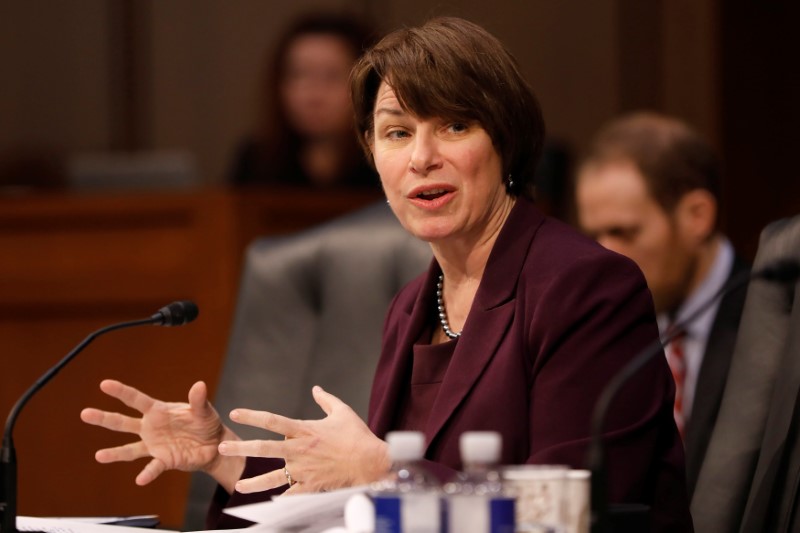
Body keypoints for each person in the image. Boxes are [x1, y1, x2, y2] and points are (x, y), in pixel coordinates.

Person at [81, 18, 693, 531]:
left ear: (505, 141)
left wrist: (386, 472)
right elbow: (354, 510)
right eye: (397, 132)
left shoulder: (586, 286)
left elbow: (567, 513)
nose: (422, 156)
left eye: (454, 125)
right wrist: (223, 461)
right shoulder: (412, 305)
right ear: (374, 156)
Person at [574, 112, 749, 499]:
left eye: (624, 232)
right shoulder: (600, 326)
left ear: (696, 216)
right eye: (595, 234)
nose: (604, 255)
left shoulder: (772, 323)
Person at [229, 12, 378, 189]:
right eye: (299, 75)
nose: (313, 95)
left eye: (332, 76)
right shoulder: (257, 160)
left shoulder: (386, 159)